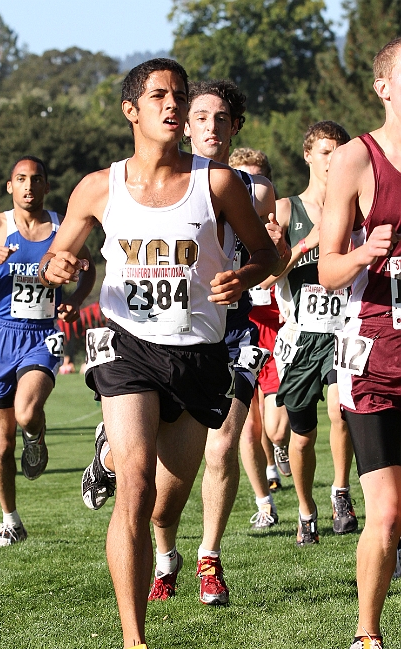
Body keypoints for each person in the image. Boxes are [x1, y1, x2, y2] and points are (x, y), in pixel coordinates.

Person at [37, 59, 284, 649]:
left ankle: (124, 473)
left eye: (179, 96)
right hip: (126, 345)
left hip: (198, 353)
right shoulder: (99, 187)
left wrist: (243, 277)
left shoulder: (219, 183)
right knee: (137, 486)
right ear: (132, 111)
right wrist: (60, 271)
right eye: (159, 96)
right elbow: (62, 260)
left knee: (164, 507)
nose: (172, 106)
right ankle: (135, 645)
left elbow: (266, 256)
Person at [81, 80, 290, 611]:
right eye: (201, 116)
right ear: (185, 124)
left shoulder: (251, 188)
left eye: (222, 118)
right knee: (142, 483)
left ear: (235, 126)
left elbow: (269, 258)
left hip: (228, 329)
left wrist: (254, 271)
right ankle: (159, 555)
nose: (210, 127)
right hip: (143, 336)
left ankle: (210, 557)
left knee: (219, 449)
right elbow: (85, 254)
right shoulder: (145, 180)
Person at [0, 156, 95, 547]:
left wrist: (77, 299)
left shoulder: (63, 227)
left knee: (26, 411)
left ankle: (37, 433)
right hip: (1, 338)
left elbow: (88, 267)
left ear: (46, 186)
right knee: (1, 443)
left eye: (36, 179)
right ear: (10, 186)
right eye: (21, 179)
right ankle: (10, 520)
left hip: (42, 335)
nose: (29, 186)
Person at [318, 37, 401, 649]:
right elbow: (327, 271)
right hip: (376, 358)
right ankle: (366, 634)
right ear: (383, 86)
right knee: (389, 510)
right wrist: (365, 254)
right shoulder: (356, 158)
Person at [272, 121, 356, 546]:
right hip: (303, 334)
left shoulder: (356, 205)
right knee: (301, 436)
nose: (333, 158)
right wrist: (306, 245)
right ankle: (306, 510)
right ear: (308, 155)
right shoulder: (288, 210)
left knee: (342, 409)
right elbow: (268, 275)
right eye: (325, 151)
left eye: (339, 150)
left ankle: (341, 491)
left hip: (346, 329)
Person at [229, 147, 291, 490]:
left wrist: (280, 251)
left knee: (274, 427)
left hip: (275, 332)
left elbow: (282, 270)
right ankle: (263, 502)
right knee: (246, 427)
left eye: (254, 180)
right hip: (238, 330)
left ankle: (277, 451)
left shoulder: (279, 222)